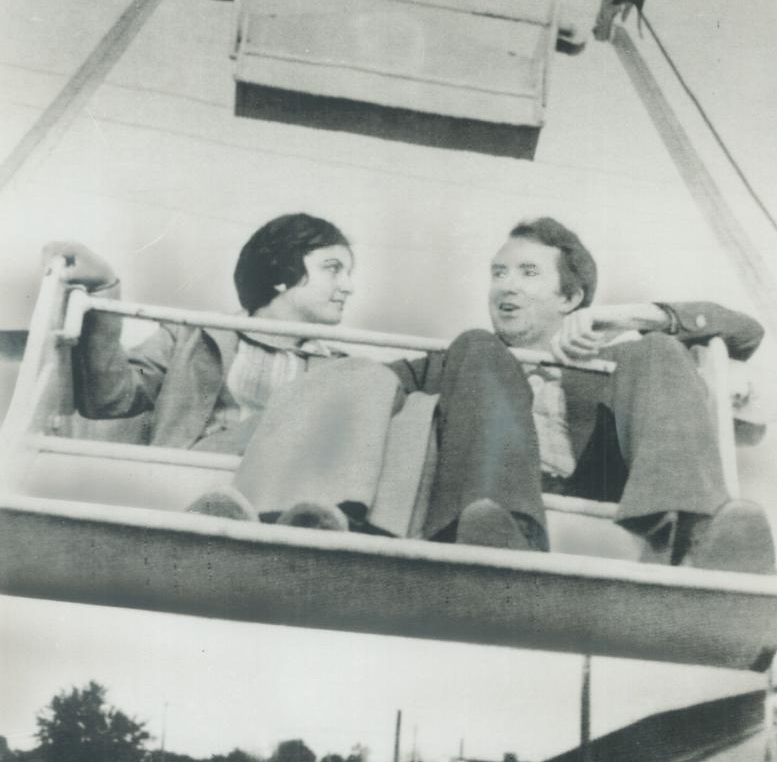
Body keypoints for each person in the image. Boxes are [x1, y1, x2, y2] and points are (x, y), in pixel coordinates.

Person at [390, 216, 775, 572]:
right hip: (484, 512)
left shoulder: (620, 367)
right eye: (499, 272)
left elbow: (746, 333)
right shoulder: (458, 360)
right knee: (478, 343)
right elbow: (357, 382)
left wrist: (628, 317)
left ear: (570, 298)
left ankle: (695, 537)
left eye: (528, 273)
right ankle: (504, 532)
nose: (507, 284)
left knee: (658, 348)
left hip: (599, 481)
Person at [52, 214, 435, 536]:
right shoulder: (194, 336)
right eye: (333, 269)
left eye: (348, 273)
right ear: (281, 274)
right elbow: (108, 398)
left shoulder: (342, 369)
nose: (347, 287)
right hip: (195, 482)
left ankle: (299, 522)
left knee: (373, 386)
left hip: (288, 493)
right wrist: (105, 289)